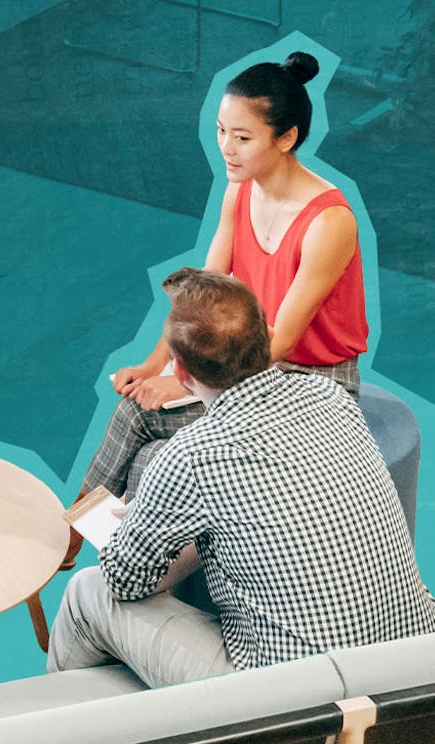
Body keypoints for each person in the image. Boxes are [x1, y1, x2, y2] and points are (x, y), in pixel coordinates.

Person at [48, 268, 435, 688]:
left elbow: (125, 580)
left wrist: (145, 521)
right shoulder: (332, 398)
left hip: (293, 699)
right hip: (411, 667)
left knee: (87, 594)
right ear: (268, 334)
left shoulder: (190, 456)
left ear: (180, 375)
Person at [64, 51, 369, 567]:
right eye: (222, 130)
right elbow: (200, 300)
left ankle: (131, 574)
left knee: (158, 461)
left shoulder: (329, 222)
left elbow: (279, 344)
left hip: (312, 382)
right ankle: (67, 543)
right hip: (243, 361)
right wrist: (153, 365)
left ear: (287, 137)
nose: (226, 148)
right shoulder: (239, 190)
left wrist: (185, 382)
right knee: (134, 407)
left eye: (243, 137)